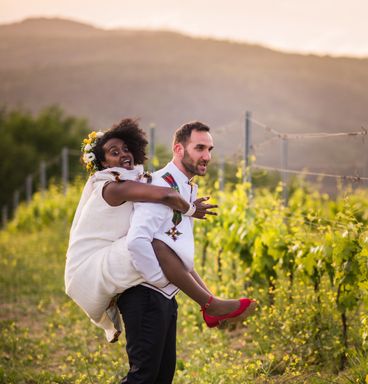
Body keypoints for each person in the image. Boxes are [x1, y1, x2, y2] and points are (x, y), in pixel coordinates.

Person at [97, 121, 251, 384]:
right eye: (200, 148)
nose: (207, 155)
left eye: (210, 149)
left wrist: (179, 288)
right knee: (143, 372)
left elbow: (173, 245)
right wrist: (158, 280)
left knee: (161, 373)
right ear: (179, 149)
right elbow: (139, 240)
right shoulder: (160, 184)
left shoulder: (187, 188)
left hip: (163, 295)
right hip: (144, 293)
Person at [65, 119, 255, 345]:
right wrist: (191, 209)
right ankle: (210, 304)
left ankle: (210, 302)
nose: (123, 154)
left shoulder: (129, 179)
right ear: (104, 162)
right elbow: (167, 196)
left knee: (166, 244)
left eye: (126, 148)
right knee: (156, 243)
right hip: (91, 266)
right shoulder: (114, 186)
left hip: (104, 256)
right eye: (114, 152)